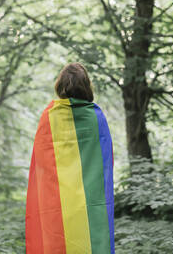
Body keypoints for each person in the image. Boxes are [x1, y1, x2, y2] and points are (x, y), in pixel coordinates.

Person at [25, 62, 114, 254]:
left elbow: (42, 165)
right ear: (86, 87)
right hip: (90, 202)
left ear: (60, 86)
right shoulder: (96, 117)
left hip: (56, 202)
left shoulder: (49, 116)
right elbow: (104, 165)